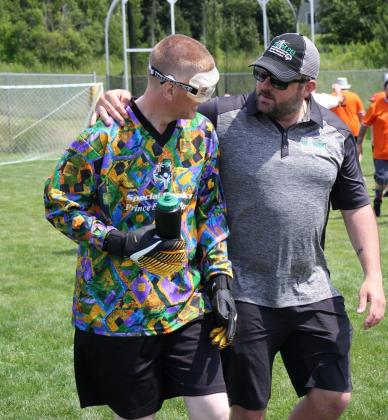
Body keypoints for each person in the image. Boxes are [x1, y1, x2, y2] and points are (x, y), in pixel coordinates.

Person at [94, 32, 386, 420]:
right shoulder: (222, 115)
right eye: (261, 74)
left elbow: (356, 206)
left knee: (334, 396)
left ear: (307, 87)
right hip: (242, 291)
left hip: (311, 287)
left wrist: (374, 275)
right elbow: (166, 104)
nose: (264, 86)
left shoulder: (335, 134)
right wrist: (119, 98)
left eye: (278, 81)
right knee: (248, 410)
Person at [44, 34, 237, 420]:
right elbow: (58, 201)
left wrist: (219, 276)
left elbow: (210, 207)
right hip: (118, 311)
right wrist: (114, 239)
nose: (206, 98)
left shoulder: (201, 133)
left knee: (215, 412)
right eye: (200, 90)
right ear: (168, 87)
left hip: (184, 304)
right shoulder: (103, 136)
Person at [357, 77, 388, 217]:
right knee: (382, 180)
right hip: (381, 152)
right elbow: (365, 124)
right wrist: (359, 142)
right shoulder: (376, 105)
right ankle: (377, 201)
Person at [330, 77, 365, 146]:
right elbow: (362, 114)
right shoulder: (355, 96)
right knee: (354, 153)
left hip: (336, 130)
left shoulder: (331, 96)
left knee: (338, 154)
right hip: (353, 130)